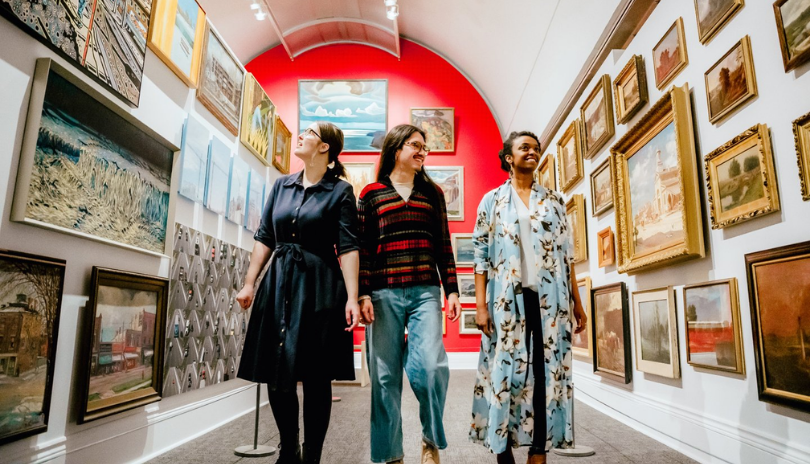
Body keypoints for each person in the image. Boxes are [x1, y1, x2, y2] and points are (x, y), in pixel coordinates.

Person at [237, 121, 361, 464]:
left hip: (320, 287)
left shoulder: (341, 192)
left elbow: (349, 247)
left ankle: (313, 456)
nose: (301, 135)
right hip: (278, 283)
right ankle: (289, 446)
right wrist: (250, 282)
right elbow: (265, 237)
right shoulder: (281, 185)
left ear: (325, 149)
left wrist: (352, 297)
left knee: (316, 376)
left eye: (310, 132)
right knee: (277, 373)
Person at [468, 131, 587, 464]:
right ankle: (503, 452)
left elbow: (567, 257)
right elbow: (479, 257)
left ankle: (539, 449)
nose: (532, 152)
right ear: (509, 157)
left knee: (545, 375)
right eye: (525, 148)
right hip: (506, 302)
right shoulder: (491, 201)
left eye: (536, 148)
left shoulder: (555, 202)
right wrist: (479, 306)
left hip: (550, 302)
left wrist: (577, 303)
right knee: (505, 373)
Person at [357, 124, 462, 464]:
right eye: (416, 145)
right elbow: (364, 250)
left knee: (431, 368)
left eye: (424, 147)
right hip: (383, 293)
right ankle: (392, 455)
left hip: (424, 293)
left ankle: (430, 441)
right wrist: (363, 294)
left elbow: (444, 245)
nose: (422, 152)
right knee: (384, 379)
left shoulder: (433, 193)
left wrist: (453, 290)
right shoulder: (371, 194)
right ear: (396, 147)